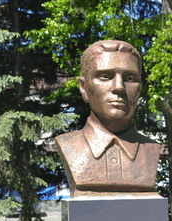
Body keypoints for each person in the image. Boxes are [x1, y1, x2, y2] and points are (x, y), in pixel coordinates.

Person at [55, 40, 160, 197]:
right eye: (105, 76)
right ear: (83, 88)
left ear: (140, 88)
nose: (119, 87)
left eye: (130, 78)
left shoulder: (150, 150)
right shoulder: (68, 145)